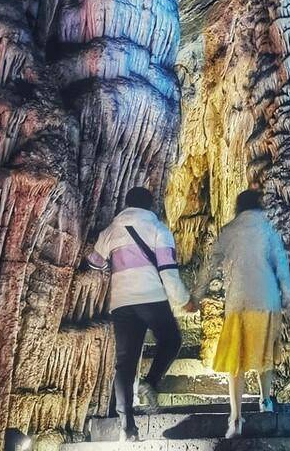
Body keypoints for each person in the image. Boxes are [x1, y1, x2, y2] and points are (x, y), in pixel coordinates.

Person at [87, 186, 196, 442]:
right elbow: (168, 271)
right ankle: (151, 382)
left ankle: (127, 427)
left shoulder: (110, 231)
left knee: (125, 363)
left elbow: (95, 262)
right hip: (151, 297)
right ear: (150, 206)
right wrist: (183, 300)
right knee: (171, 340)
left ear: (127, 204)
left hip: (122, 302)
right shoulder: (158, 229)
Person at [193, 189, 290, 438]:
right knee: (265, 356)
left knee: (235, 362)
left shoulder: (229, 231)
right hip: (266, 300)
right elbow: (281, 266)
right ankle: (265, 401)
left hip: (238, 303)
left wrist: (197, 295)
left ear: (238, 207)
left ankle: (236, 418)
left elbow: (210, 265)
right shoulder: (268, 229)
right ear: (259, 206)